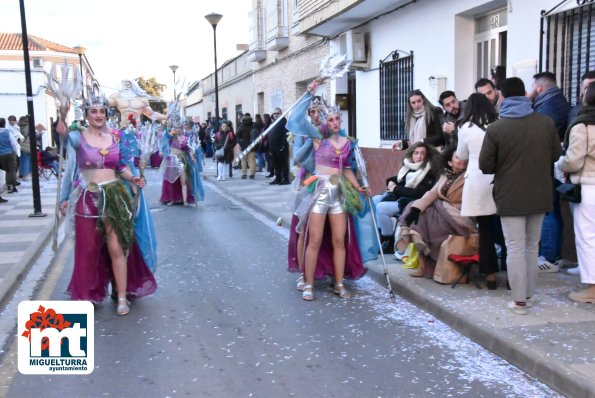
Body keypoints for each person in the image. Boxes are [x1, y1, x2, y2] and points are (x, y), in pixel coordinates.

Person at [57, 92, 157, 315]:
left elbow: (120, 166)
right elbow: (64, 135)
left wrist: (133, 178)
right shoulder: (78, 137)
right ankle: (87, 293)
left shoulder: (115, 138)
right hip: (88, 198)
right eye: (94, 111)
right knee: (88, 248)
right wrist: (62, 120)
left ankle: (121, 297)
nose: (98, 115)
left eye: (102, 111)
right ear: (87, 114)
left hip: (114, 196)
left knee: (117, 247)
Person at [479, 77, 561, 315]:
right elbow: (556, 154)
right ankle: (528, 295)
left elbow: (486, 165)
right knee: (532, 247)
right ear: (525, 94)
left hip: (509, 195)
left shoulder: (496, 128)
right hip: (540, 192)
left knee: (514, 247)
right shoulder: (545, 123)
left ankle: (519, 302)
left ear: (502, 96)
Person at [286, 78, 370, 301]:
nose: (334, 122)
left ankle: (340, 283)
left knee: (339, 240)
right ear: (324, 121)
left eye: (336, 118)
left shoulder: (347, 142)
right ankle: (309, 283)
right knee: (313, 240)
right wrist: (308, 92)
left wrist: (359, 187)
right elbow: (295, 119)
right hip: (320, 192)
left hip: (339, 195)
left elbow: (348, 169)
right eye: (329, 119)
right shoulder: (317, 138)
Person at [395, 146, 476, 278]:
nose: (461, 160)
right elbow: (431, 194)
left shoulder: (470, 176)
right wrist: (415, 210)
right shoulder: (445, 176)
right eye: (457, 157)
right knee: (416, 211)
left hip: (459, 216)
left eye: (463, 158)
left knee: (429, 220)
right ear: (450, 162)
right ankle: (421, 257)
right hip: (444, 213)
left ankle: (418, 245)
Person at [455, 93, 503, 289]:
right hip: (499, 180)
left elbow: (461, 155)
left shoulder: (465, 128)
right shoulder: (498, 124)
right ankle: (512, 277)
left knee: (485, 230)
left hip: (477, 180)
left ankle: (490, 275)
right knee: (506, 230)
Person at [529, 72, 571, 272]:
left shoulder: (547, 107)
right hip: (554, 166)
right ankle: (556, 254)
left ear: (539, 88)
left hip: (546, 166)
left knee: (548, 210)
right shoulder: (559, 101)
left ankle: (549, 256)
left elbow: (541, 137)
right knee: (552, 209)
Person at [559, 82, 595, 303]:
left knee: (587, 238)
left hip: (589, 187)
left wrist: (560, 162)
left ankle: (592, 288)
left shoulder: (583, 125)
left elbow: (573, 161)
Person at [372, 142, 438, 254]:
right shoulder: (409, 167)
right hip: (402, 196)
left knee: (381, 208)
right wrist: (391, 183)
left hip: (412, 202)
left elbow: (419, 193)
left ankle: (388, 239)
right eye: (416, 153)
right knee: (374, 200)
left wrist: (395, 189)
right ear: (411, 154)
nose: (419, 156)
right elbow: (397, 179)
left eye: (423, 153)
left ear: (427, 156)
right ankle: (381, 234)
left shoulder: (428, 171)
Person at [159, 123, 202, 206]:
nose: (178, 129)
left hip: (181, 161)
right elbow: (165, 133)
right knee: (171, 181)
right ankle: (172, 199)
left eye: (179, 128)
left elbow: (190, 149)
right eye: (176, 128)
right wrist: (165, 122)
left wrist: (193, 157)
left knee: (183, 180)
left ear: (182, 129)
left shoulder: (186, 139)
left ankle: (185, 201)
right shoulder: (171, 137)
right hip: (171, 160)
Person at [268, 108, 291, 185]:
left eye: (278, 113)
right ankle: (278, 178)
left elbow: (286, 135)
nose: (276, 115)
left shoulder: (283, 122)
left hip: (281, 147)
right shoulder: (273, 122)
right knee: (276, 164)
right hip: (273, 147)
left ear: (281, 114)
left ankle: (285, 179)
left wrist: (283, 146)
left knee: (283, 164)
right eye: (274, 113)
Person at [0, 117, 19, 194]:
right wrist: (16, 152)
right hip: (10, 153)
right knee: (12, 170)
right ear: (4, 124)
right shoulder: (8, 132)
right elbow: (13, 143)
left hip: (1, 154)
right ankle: (14, 186)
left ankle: (8, 187)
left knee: (7, 171)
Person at [237, 113, 257, 179]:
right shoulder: (253, 125)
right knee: (252, 160)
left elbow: (237, 135)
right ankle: (252, 174)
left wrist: (240, 143)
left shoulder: (241, 126)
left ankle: (244, 174)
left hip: (243, 146)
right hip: (252, 146)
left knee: (243, 160)